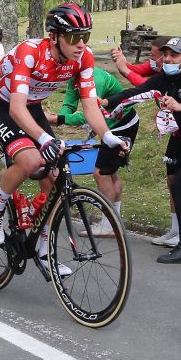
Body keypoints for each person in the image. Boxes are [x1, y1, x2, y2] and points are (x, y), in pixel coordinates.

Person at [0, 4, 124, 277]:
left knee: (54, 178)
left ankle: (44, 250)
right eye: (73, 37)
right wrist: (44, 139)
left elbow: (90, 106)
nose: (80, 44)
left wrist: (108, 136)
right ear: (54, 36)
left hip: (31, 107)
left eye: (86, 36)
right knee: (33, 159)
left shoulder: (84, 58)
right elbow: (15, 109)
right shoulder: (30, 52)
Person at [104, 36, 181, 264]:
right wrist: (107, 103)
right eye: (166, 54)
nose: (168, 59)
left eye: (174, 55)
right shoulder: (165, 78)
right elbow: (135, 92)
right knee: (175, 183)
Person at [53, 57, 136, 236]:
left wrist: (59, 119)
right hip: (111, 125)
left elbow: (89, 115)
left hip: (121, 125)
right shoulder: (75, 78)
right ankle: (115, 222)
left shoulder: (93, 79)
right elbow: (69, 103)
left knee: (101, 173)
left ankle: (109, 225)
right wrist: (60, 118)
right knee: (111, 173)